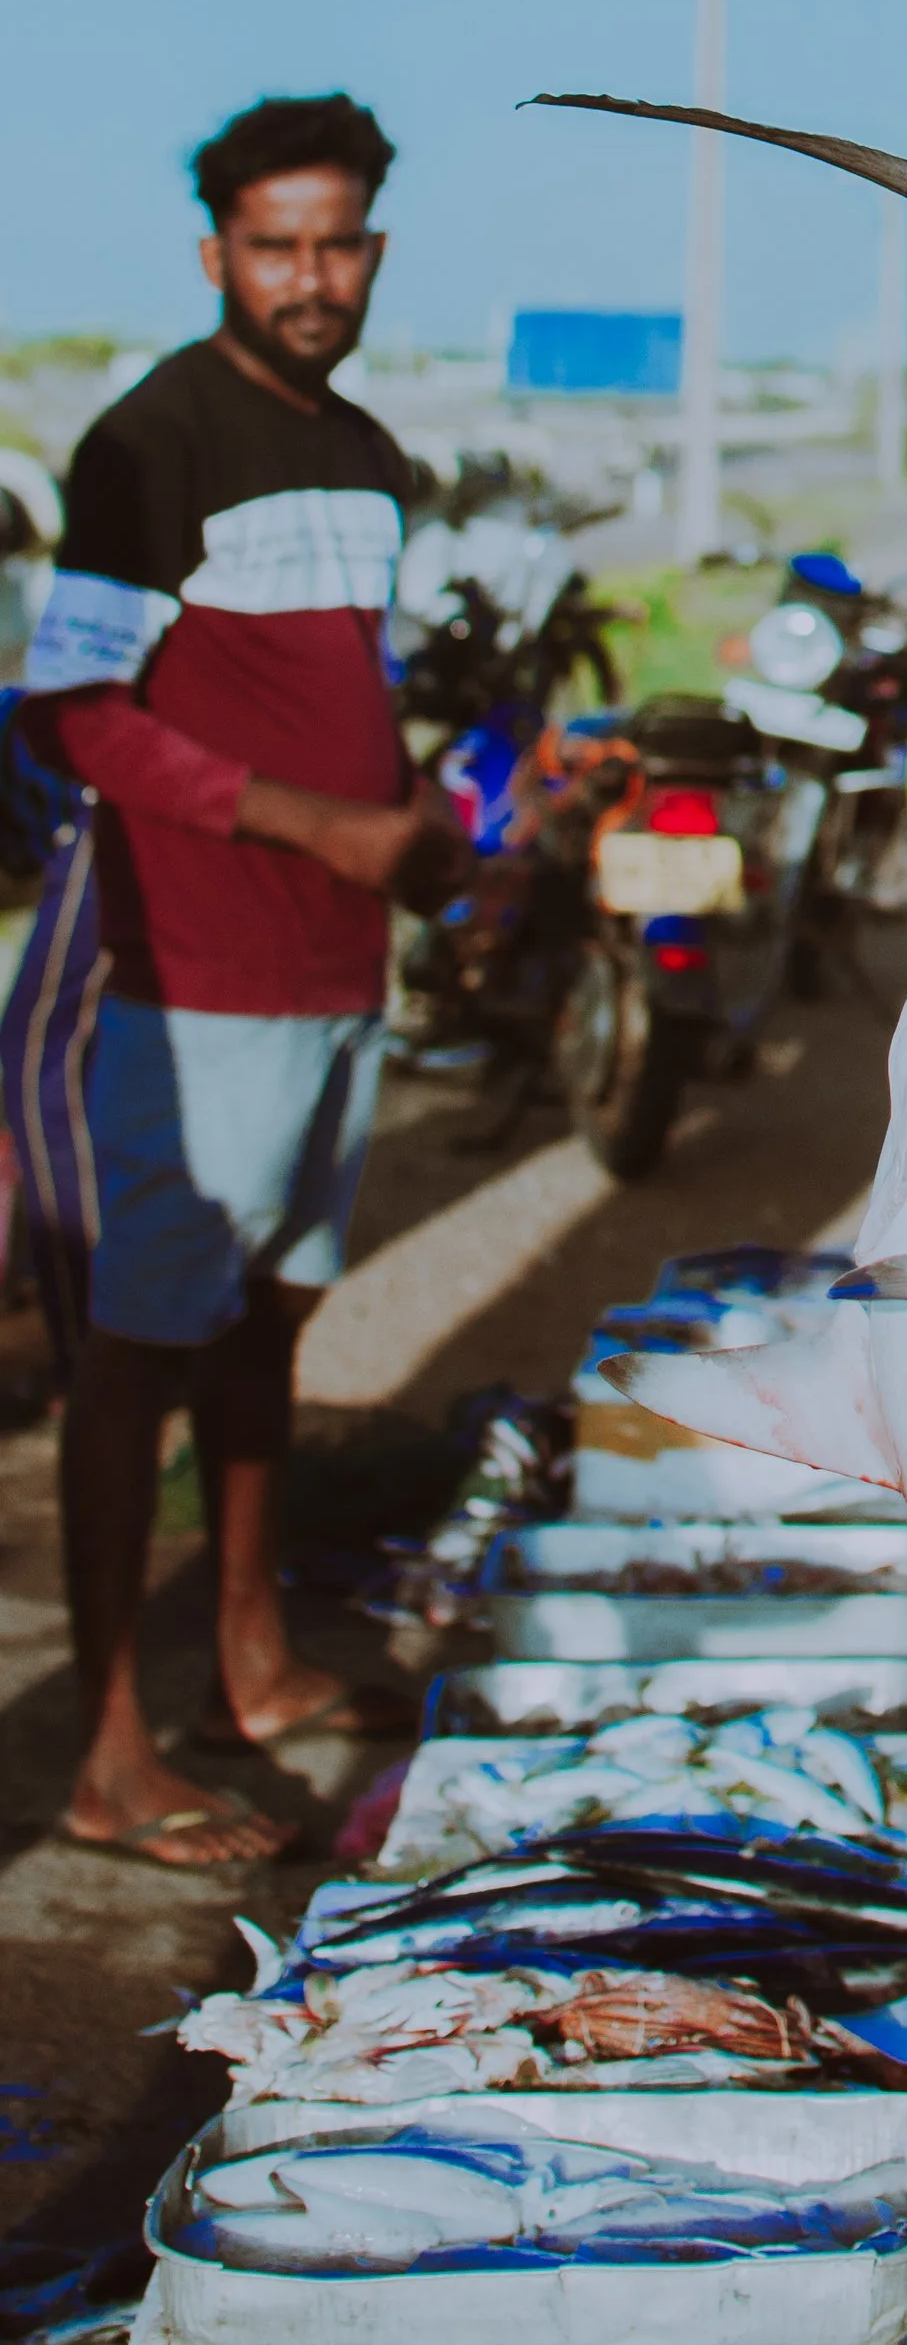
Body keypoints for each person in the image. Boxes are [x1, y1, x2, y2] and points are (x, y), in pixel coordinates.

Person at [22, 93, 476, 1867]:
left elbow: (351, 692)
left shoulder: (371, 457)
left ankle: (253, 1659)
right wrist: (306, 822)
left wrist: (425, 816)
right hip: (185, 971)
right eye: (275, 245)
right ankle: (110, 1751)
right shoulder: (147, 442)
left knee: (273, 1320)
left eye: (337, 243)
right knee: (141, 1348)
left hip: (337, 966)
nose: (310, 276)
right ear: (215, 253)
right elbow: (72, 715)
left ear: (373, 249)